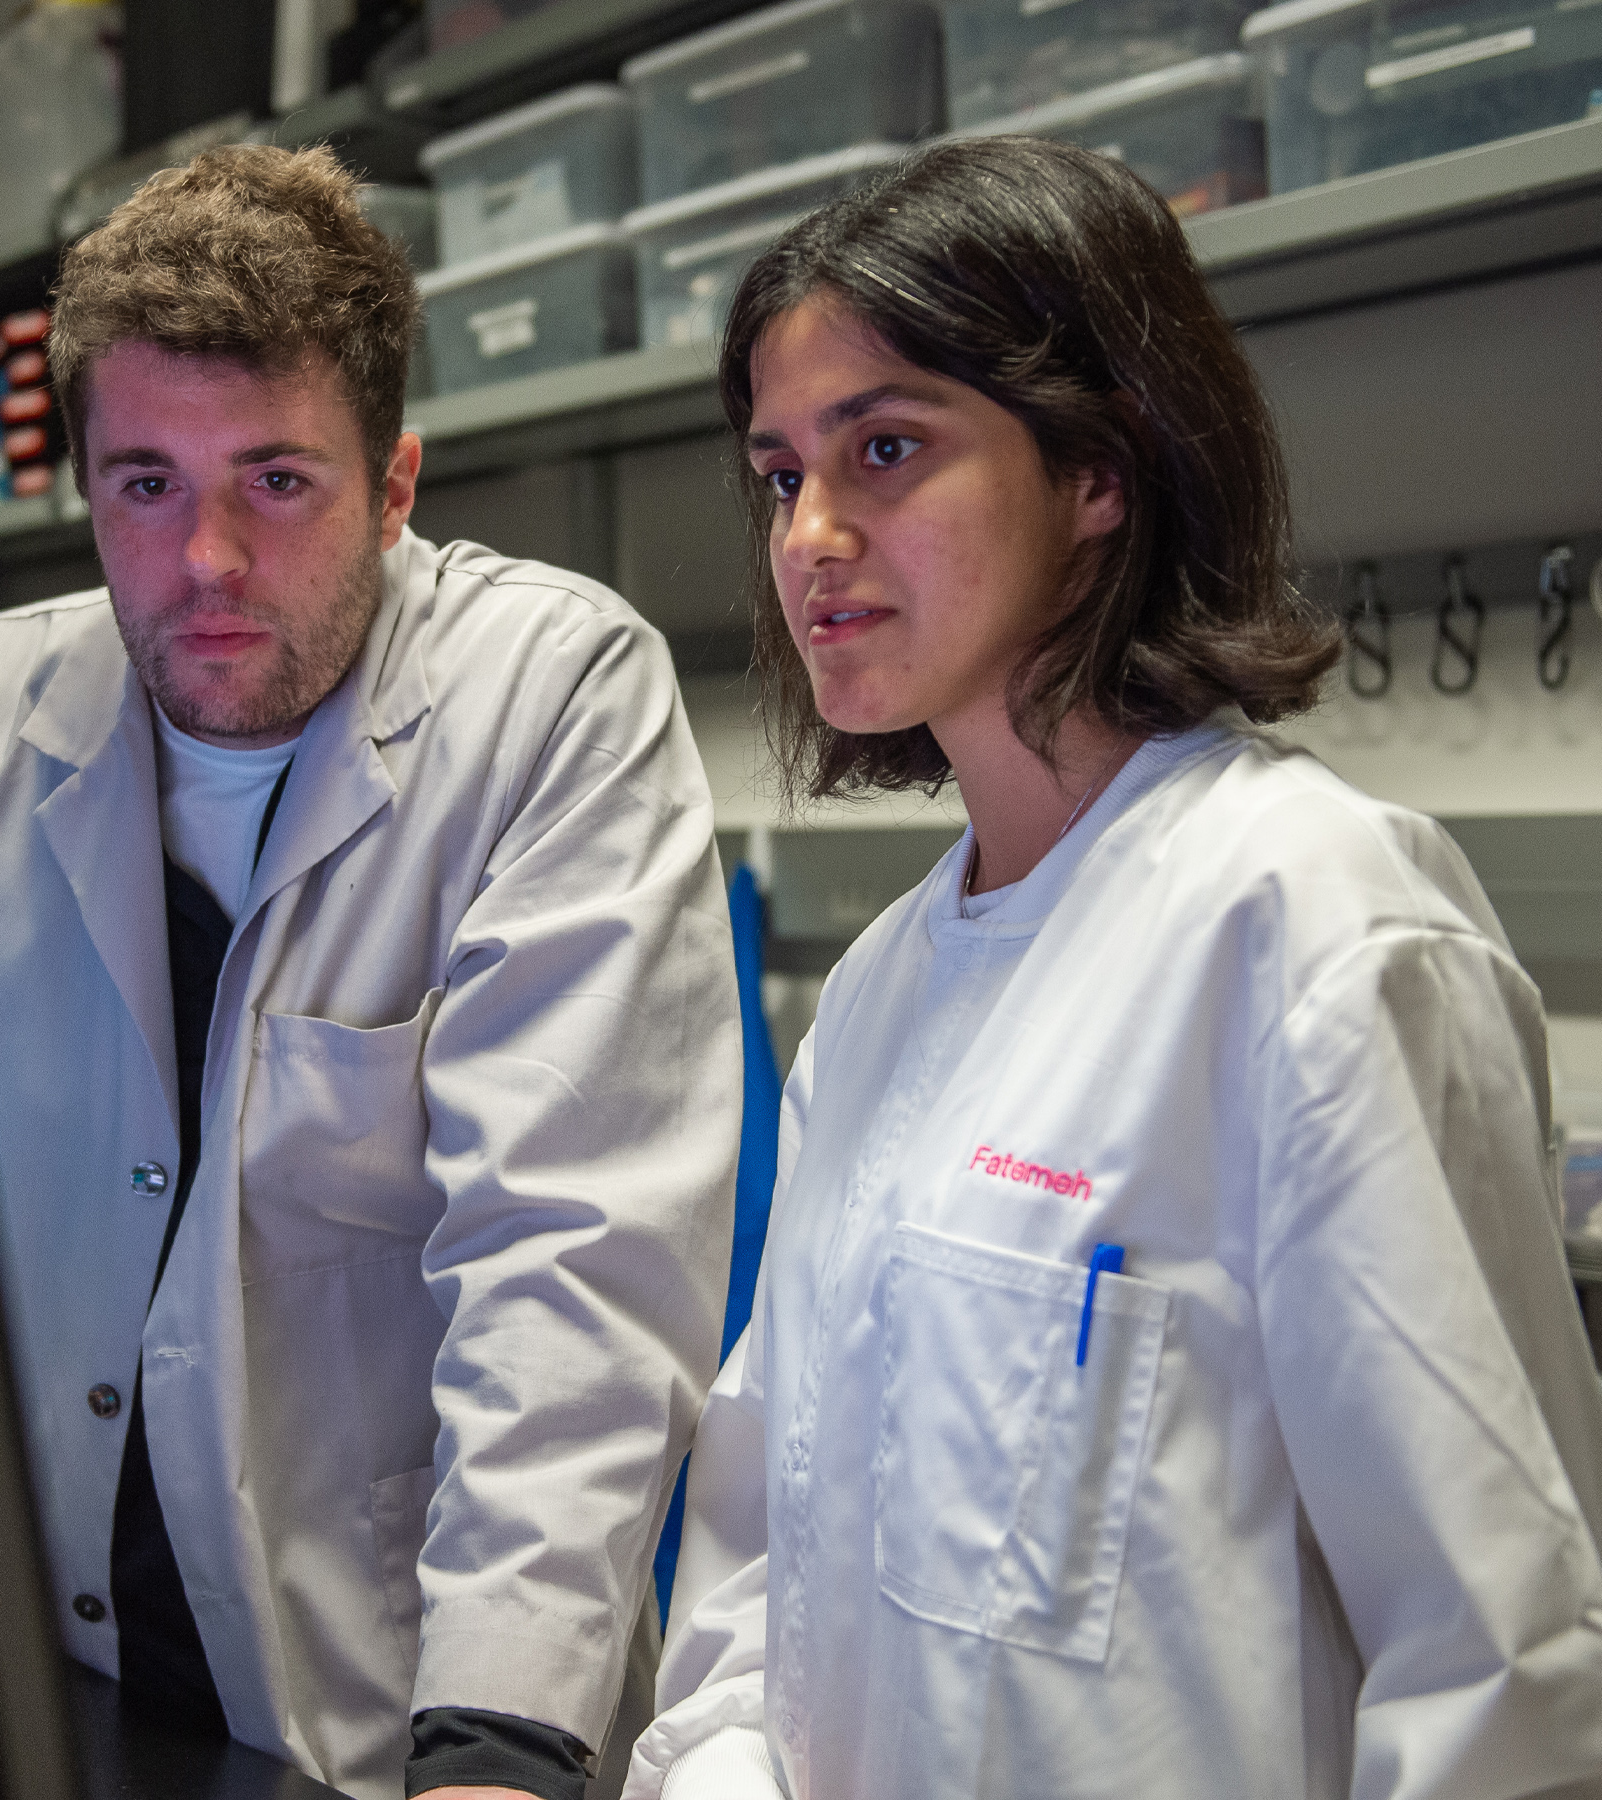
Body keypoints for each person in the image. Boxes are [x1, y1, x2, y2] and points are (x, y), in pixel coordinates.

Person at [629, 137, 1602, 1800]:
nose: (809, 534)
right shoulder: (876, 999)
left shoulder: (1312, 928)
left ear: (1101, 472)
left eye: (885, 448)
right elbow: (762, 1563)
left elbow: (1500, 1670)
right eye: (783, 472)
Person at [0, 144, 740, 1800]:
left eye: (276, 482)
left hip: (400, 1712)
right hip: (80, 1688)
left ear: (399, 482)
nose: (205, 557)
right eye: (145, 484)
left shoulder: (548, 694)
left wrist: (492, 1746)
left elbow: (567, 1262)